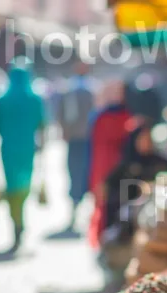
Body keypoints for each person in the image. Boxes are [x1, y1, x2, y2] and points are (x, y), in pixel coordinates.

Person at [0, 58, 46, 252]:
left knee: (11, 186)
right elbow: (43, 125)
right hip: (27, 150)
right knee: (23, 186)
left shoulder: (2, 98)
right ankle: (19, 220)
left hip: (8, 150)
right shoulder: (34, 98)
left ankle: (16, 222)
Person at [88, 80, 132, 247]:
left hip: (106, 165)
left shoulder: (101, 117)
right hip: (109, 165)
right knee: (107, 202)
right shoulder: (123, 117)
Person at [57, 62, 95, 228]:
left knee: (77, 172)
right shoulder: (88, 90)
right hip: (83, 138)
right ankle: (77, 208)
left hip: (80, 138)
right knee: (80, 173)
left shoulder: (73, 89)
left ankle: (79, 209)